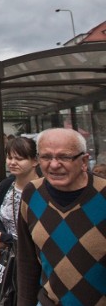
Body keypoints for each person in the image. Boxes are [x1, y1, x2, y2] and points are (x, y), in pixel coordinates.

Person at [17, 128, 106, 305]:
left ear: (84, 161)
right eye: (46, 157)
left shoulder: (103, 194)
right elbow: (27, 262)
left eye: (64, 157)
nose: (54, 164)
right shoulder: (32, 194)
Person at [0, 137, 40, 248]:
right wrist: (0, 236)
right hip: (10, 256)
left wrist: (2, 237)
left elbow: (38, 235)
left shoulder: (44, 189)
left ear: (34, 161)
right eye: (9, 158)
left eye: (19, 159)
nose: (13, 163)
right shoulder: (6, 185)